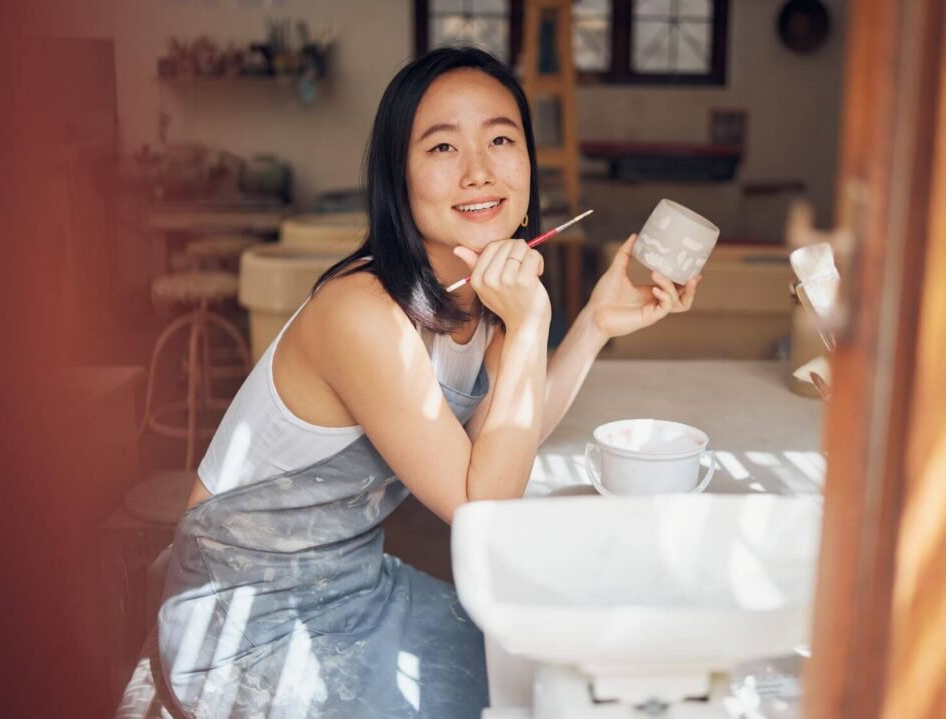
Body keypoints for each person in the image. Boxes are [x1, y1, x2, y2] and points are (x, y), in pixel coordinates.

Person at [157, 46, 699, 719]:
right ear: (399, 177)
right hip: (244, 614)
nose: (479, 170)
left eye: (501, 138)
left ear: (529, 163)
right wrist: (533, 325)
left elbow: (507, 436)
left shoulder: (479, 296)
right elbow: (484, 506)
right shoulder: (363, 312)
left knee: (546, 673)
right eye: (443, 147)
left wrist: (593, 321)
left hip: (356, 582)